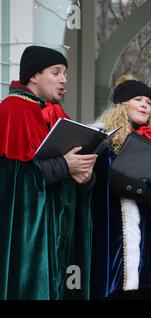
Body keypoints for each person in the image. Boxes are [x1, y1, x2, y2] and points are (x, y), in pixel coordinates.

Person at [0, 45, 97, 299]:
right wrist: (65, 166)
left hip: (58, 237)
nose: (64, 79)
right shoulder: (11, 111)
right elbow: (12, 182)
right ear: (34, 76)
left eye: (65, 73)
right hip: (29, 246)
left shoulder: (57, 114)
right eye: (56, 72)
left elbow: (71, 168)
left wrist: (85, 178)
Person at [90, 75, 151, 300]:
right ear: (123, 104)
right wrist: (129, 185)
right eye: (138, 99)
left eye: (149, 102)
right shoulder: (103, 141)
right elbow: (98, 182)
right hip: (112, 242)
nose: (144, 105)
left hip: (146, 241)